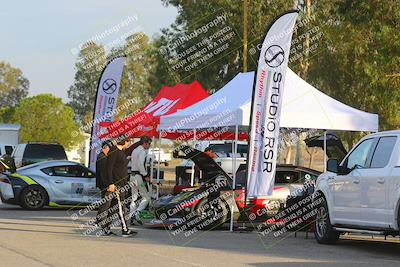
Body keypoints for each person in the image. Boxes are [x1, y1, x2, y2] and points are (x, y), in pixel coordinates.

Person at [102, 135, 136, 237]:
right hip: (116, 185)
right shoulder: (114, 151)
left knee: (113, 208)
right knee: (121, 207)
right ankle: (125, 229)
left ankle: (106, 229)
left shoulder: (121, 152)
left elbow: (120, 165)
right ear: (124, 141)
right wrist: (111, 183)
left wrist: (127, 159)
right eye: (128, 141)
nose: (129, 143)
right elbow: (109, 168)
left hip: (122, 184)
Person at [130, 136, 152, 225]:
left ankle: (132, 215)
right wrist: (145, 175)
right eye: (149, 144)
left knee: (134, 198)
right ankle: (137, 213)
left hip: (132, 176)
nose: (149, 146)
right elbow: (140, 164)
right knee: (146, 197)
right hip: (138, 177)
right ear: (144, 143)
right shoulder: (142, 151)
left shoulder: (135, 150)